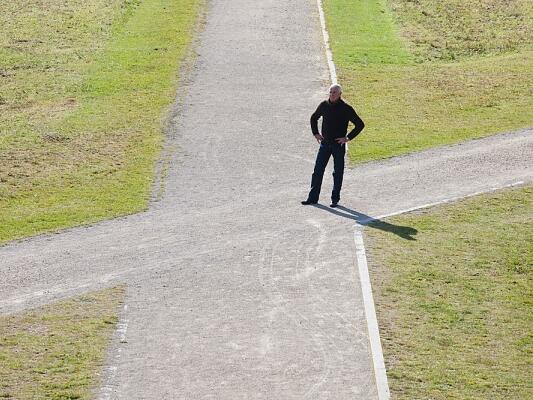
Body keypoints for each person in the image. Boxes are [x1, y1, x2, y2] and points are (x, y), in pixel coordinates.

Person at [302, 84, 365, 207]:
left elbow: (360, 124)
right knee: (318, 171)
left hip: (338, 145)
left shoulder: (346, 108)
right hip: (324, 144)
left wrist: (347, 138)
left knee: (337, 172)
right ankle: (312, 198)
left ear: (340, 94)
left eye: (334, 92)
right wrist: (316, 133)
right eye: (331, 92)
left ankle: (335, 199)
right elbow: (314, 118)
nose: (332, 94)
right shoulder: (324, 105)